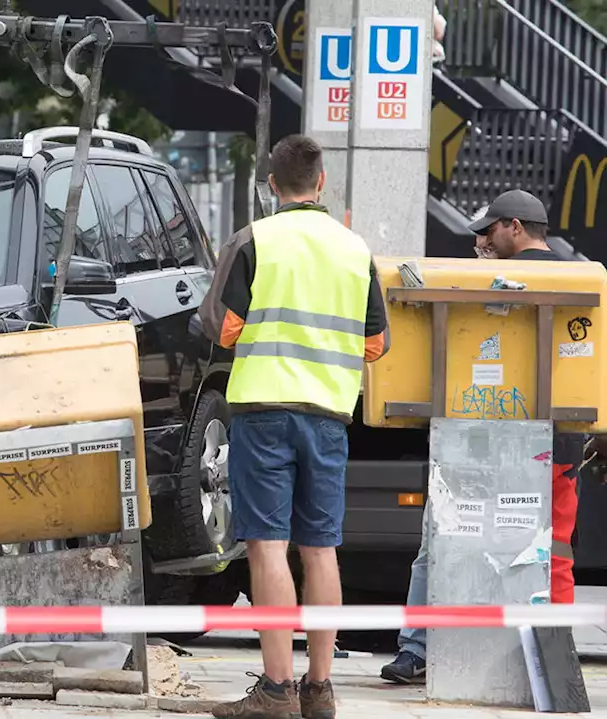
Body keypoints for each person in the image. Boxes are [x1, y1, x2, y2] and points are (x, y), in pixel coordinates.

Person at [199, 134, 391, 719]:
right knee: (321, 548)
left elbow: (222, 328)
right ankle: (321, 689)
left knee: (266, 546)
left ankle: (277, 691)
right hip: (329, 417)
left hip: (262, 414)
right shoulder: (355, 250)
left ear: (271, 186)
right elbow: (377, 344)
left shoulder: (255, 240)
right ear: (322, 183)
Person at [380, 189, 583, 685]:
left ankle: (418, 649)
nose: (481, 240)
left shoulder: (483, 281)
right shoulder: (581, 279)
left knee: (443, 541)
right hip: (556, 443)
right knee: (552, 548)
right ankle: (553, 657)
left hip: (475, 438)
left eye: (488, 231)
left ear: (515, 227)